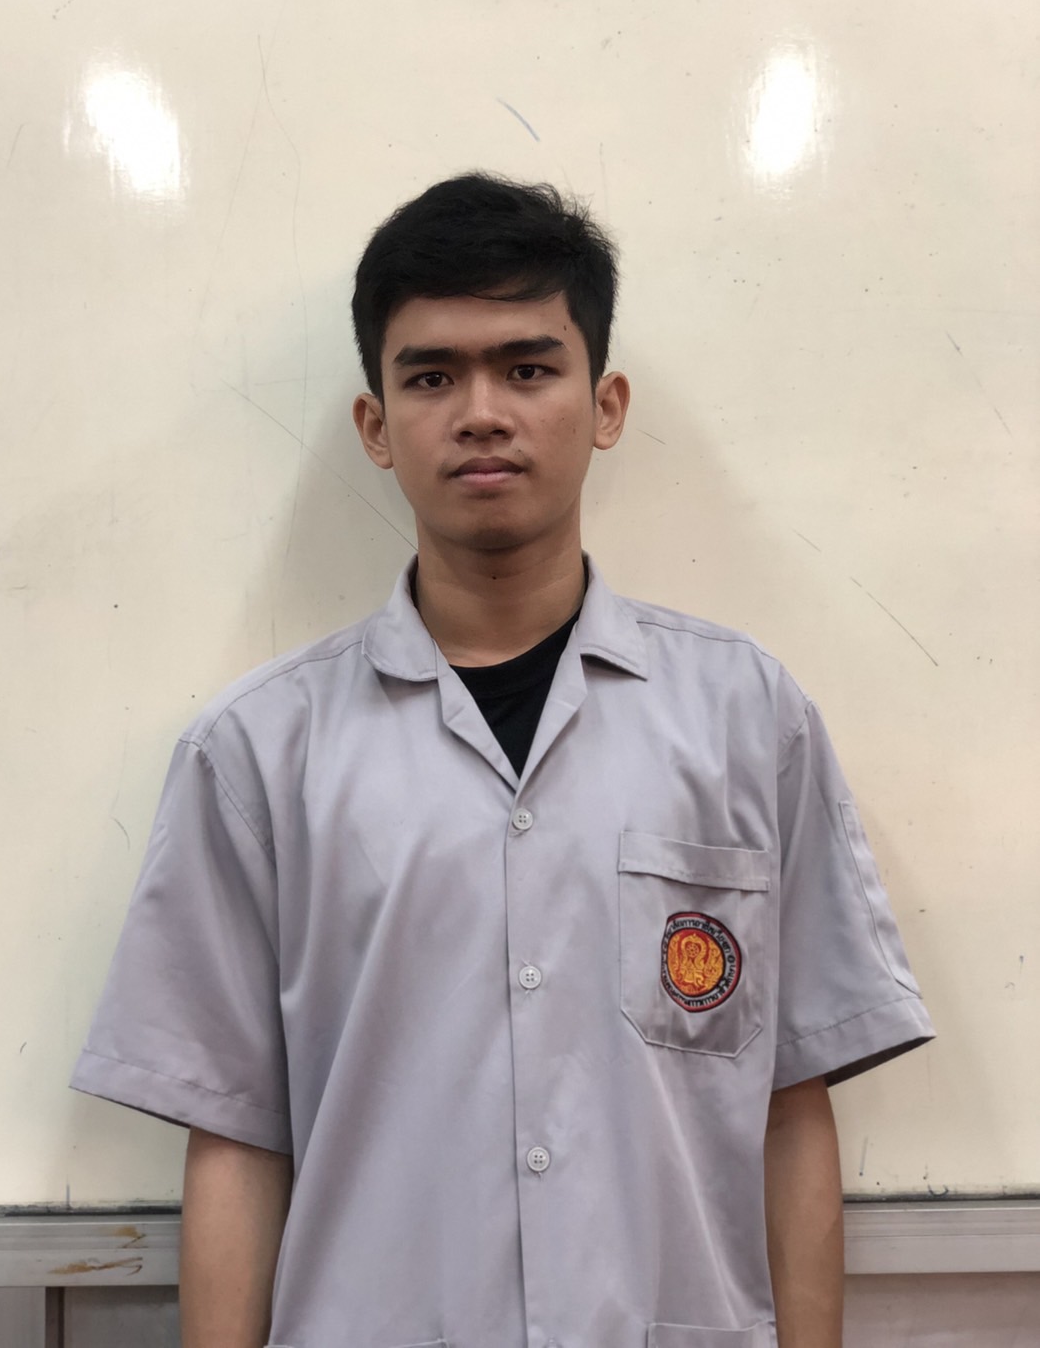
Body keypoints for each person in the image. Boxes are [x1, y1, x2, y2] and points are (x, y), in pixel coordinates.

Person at [72, 172, 935, 1348]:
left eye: (527, 368)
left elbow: (789, 1102)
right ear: (376, 425)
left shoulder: (746, 719)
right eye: (431, 376)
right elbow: (233, 1137)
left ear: (605, 403)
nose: (481, 412)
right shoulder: (260, 754)